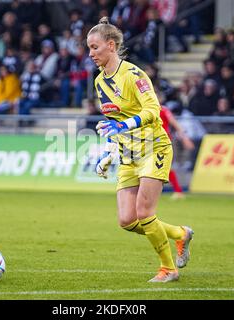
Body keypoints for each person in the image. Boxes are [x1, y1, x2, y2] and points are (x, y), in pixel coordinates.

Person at [87, 17, 194, 283]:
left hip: (153, 147)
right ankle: (181, 234)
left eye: (94, 47)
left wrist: (122, 125)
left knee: (145, 213)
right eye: (89, 48)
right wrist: (109, 152)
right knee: (127, 220)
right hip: (128, 154)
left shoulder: (134, 75)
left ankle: (168, 269)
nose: (90, 54)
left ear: (111, 46)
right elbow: (113, 120)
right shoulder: (100, 82)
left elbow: (152, 110)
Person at [158, 91, 195, 200]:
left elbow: (174, 123)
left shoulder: (163, 110)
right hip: (149, 142)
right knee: (158, 167)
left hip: (163, 142)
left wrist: (185, 138)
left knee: (165, 167)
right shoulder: (147, 110)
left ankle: (178, 191)